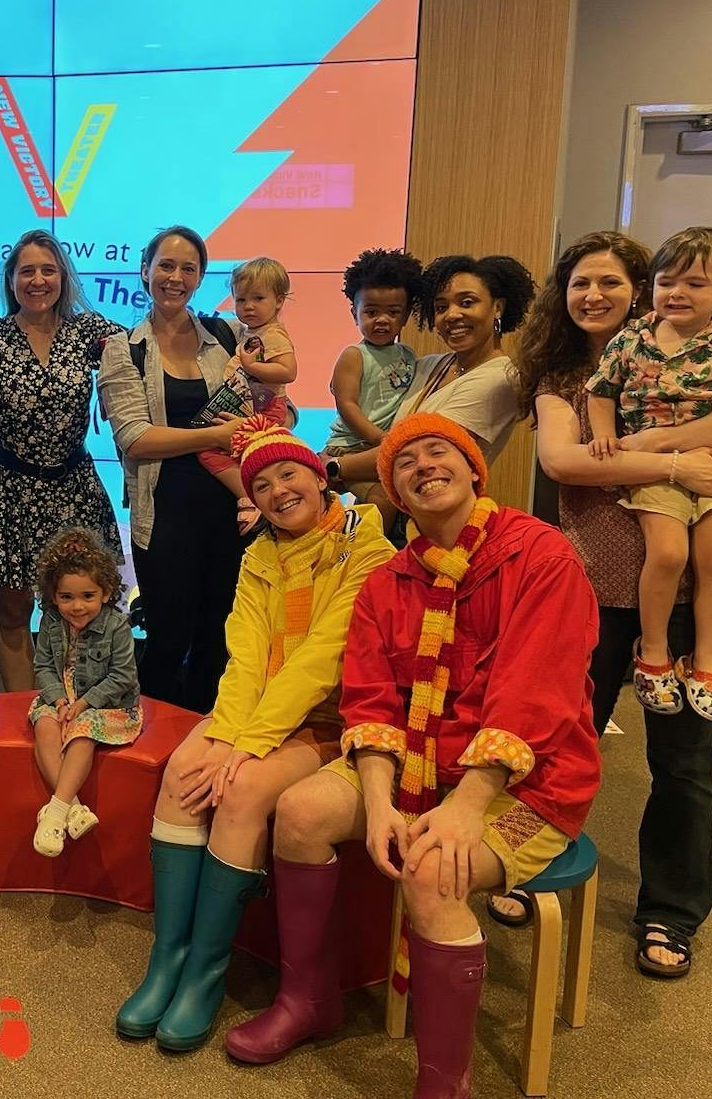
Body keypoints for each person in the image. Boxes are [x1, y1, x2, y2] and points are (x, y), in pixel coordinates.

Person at [225, 414, 601, 1099]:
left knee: (432, 871)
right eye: (406, 463)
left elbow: (534, 697)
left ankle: (444, 1084)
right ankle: (309, 1000)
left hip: (530, 786)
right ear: (393, 491)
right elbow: (368, 702)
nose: (424, 466)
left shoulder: (541, 555)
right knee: (302, 809)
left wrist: (465, 806)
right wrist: (375, 802)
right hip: (413, 765)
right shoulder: (387, 581)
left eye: (439, 452)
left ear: (473, 468)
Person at [515, 229, 712, 977]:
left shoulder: (704, 357)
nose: (594, 296)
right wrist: (685, 460)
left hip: (702, 590)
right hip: (592, 590)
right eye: (580, 283)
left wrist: (656, 442)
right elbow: (563, 461)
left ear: (642, 289)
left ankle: (671, 913)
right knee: (563, 737)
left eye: (611, 284)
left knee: (684, 758)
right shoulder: (560, 378)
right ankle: (528, 862)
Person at [116, 417, 394, 1052]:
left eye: (287, 473)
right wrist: (228, 733)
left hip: (334, 717)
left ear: (320, 476)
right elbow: (243, 658)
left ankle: (206, 976)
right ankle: (170, 961)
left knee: (240, 792)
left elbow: (325, 659)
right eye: (260, 484)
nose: (276, 491)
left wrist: (245, 747)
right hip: (262, 710)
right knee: (184, 772)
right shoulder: (260, 556)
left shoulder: (366, 548)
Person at [586, 226, 712, 724]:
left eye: (696, 284)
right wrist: (604, 435)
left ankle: (705, 666)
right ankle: (652, 653)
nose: (677, 293)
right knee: (670, 552)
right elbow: (601, 391)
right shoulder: (632, 339)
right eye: (666, 281)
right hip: (657, 474)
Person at [0, 229, 125, 690]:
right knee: (12, 615)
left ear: (63, 278)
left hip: (74, 490)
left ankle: (79, 708)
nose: (37, 280)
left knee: (81, 607)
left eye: (48, 270)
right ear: (10, 280)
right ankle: (23, 714)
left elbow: (150, 353)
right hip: (9, 491)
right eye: (26, 271)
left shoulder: (90, 331)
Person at [97, 224, 246, 711]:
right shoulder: (125, 349)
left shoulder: (229, 336)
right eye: (166, 265)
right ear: (145, 272)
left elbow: (274, 404)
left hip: (232, 510)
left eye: (188, 268)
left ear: (200, 278)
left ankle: (207, 743)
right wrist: (216, 436)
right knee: (167, 638)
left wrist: (270, 418)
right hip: (164, 517)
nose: (175, 277)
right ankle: (152, 749)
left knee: (220, 639)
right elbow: (135, 439)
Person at [323, 254, 533, 529]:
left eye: (467, 302)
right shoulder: (429, 364)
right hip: (399, 506)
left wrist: (333, 466)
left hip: (434, 521)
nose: (452, 314)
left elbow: (418, 450)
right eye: (441, 306)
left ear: (498, 308)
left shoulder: (501, 378)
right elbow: (361, 391)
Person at [28, 527, 140, 858]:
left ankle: (55, 811)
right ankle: (72, 810)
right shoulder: (50, 621)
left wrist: (83, 704)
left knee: (82, 731)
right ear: (53, 596)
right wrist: (59, 699)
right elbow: (43, 666)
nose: (77, 607)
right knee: (44, 725)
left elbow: (123, 676)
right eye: (66, 597)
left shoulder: (117, 625)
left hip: (107, 705)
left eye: (87, 596)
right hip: (62, 695)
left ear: (105, 592)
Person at [194, 257, 299, 534]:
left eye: (258, 298)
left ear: (279, 300)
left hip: (265, 408)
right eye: (240, 300)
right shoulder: (251, 331)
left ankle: (249, 499)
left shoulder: (273, 335)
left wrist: (252, 366)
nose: (248, 306)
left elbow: (289, 371)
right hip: (252, 406)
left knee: (211, 452)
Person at [323, 248, 422, 491]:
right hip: (350, 445)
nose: (382, 319)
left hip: (381, 447)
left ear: (406, 316)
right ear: (355, 315)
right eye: (371, 312)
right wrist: (381, 439)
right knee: (384, 498)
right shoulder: (354, 355)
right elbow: (346, 405)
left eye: (393, 312)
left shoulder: (408, 354)